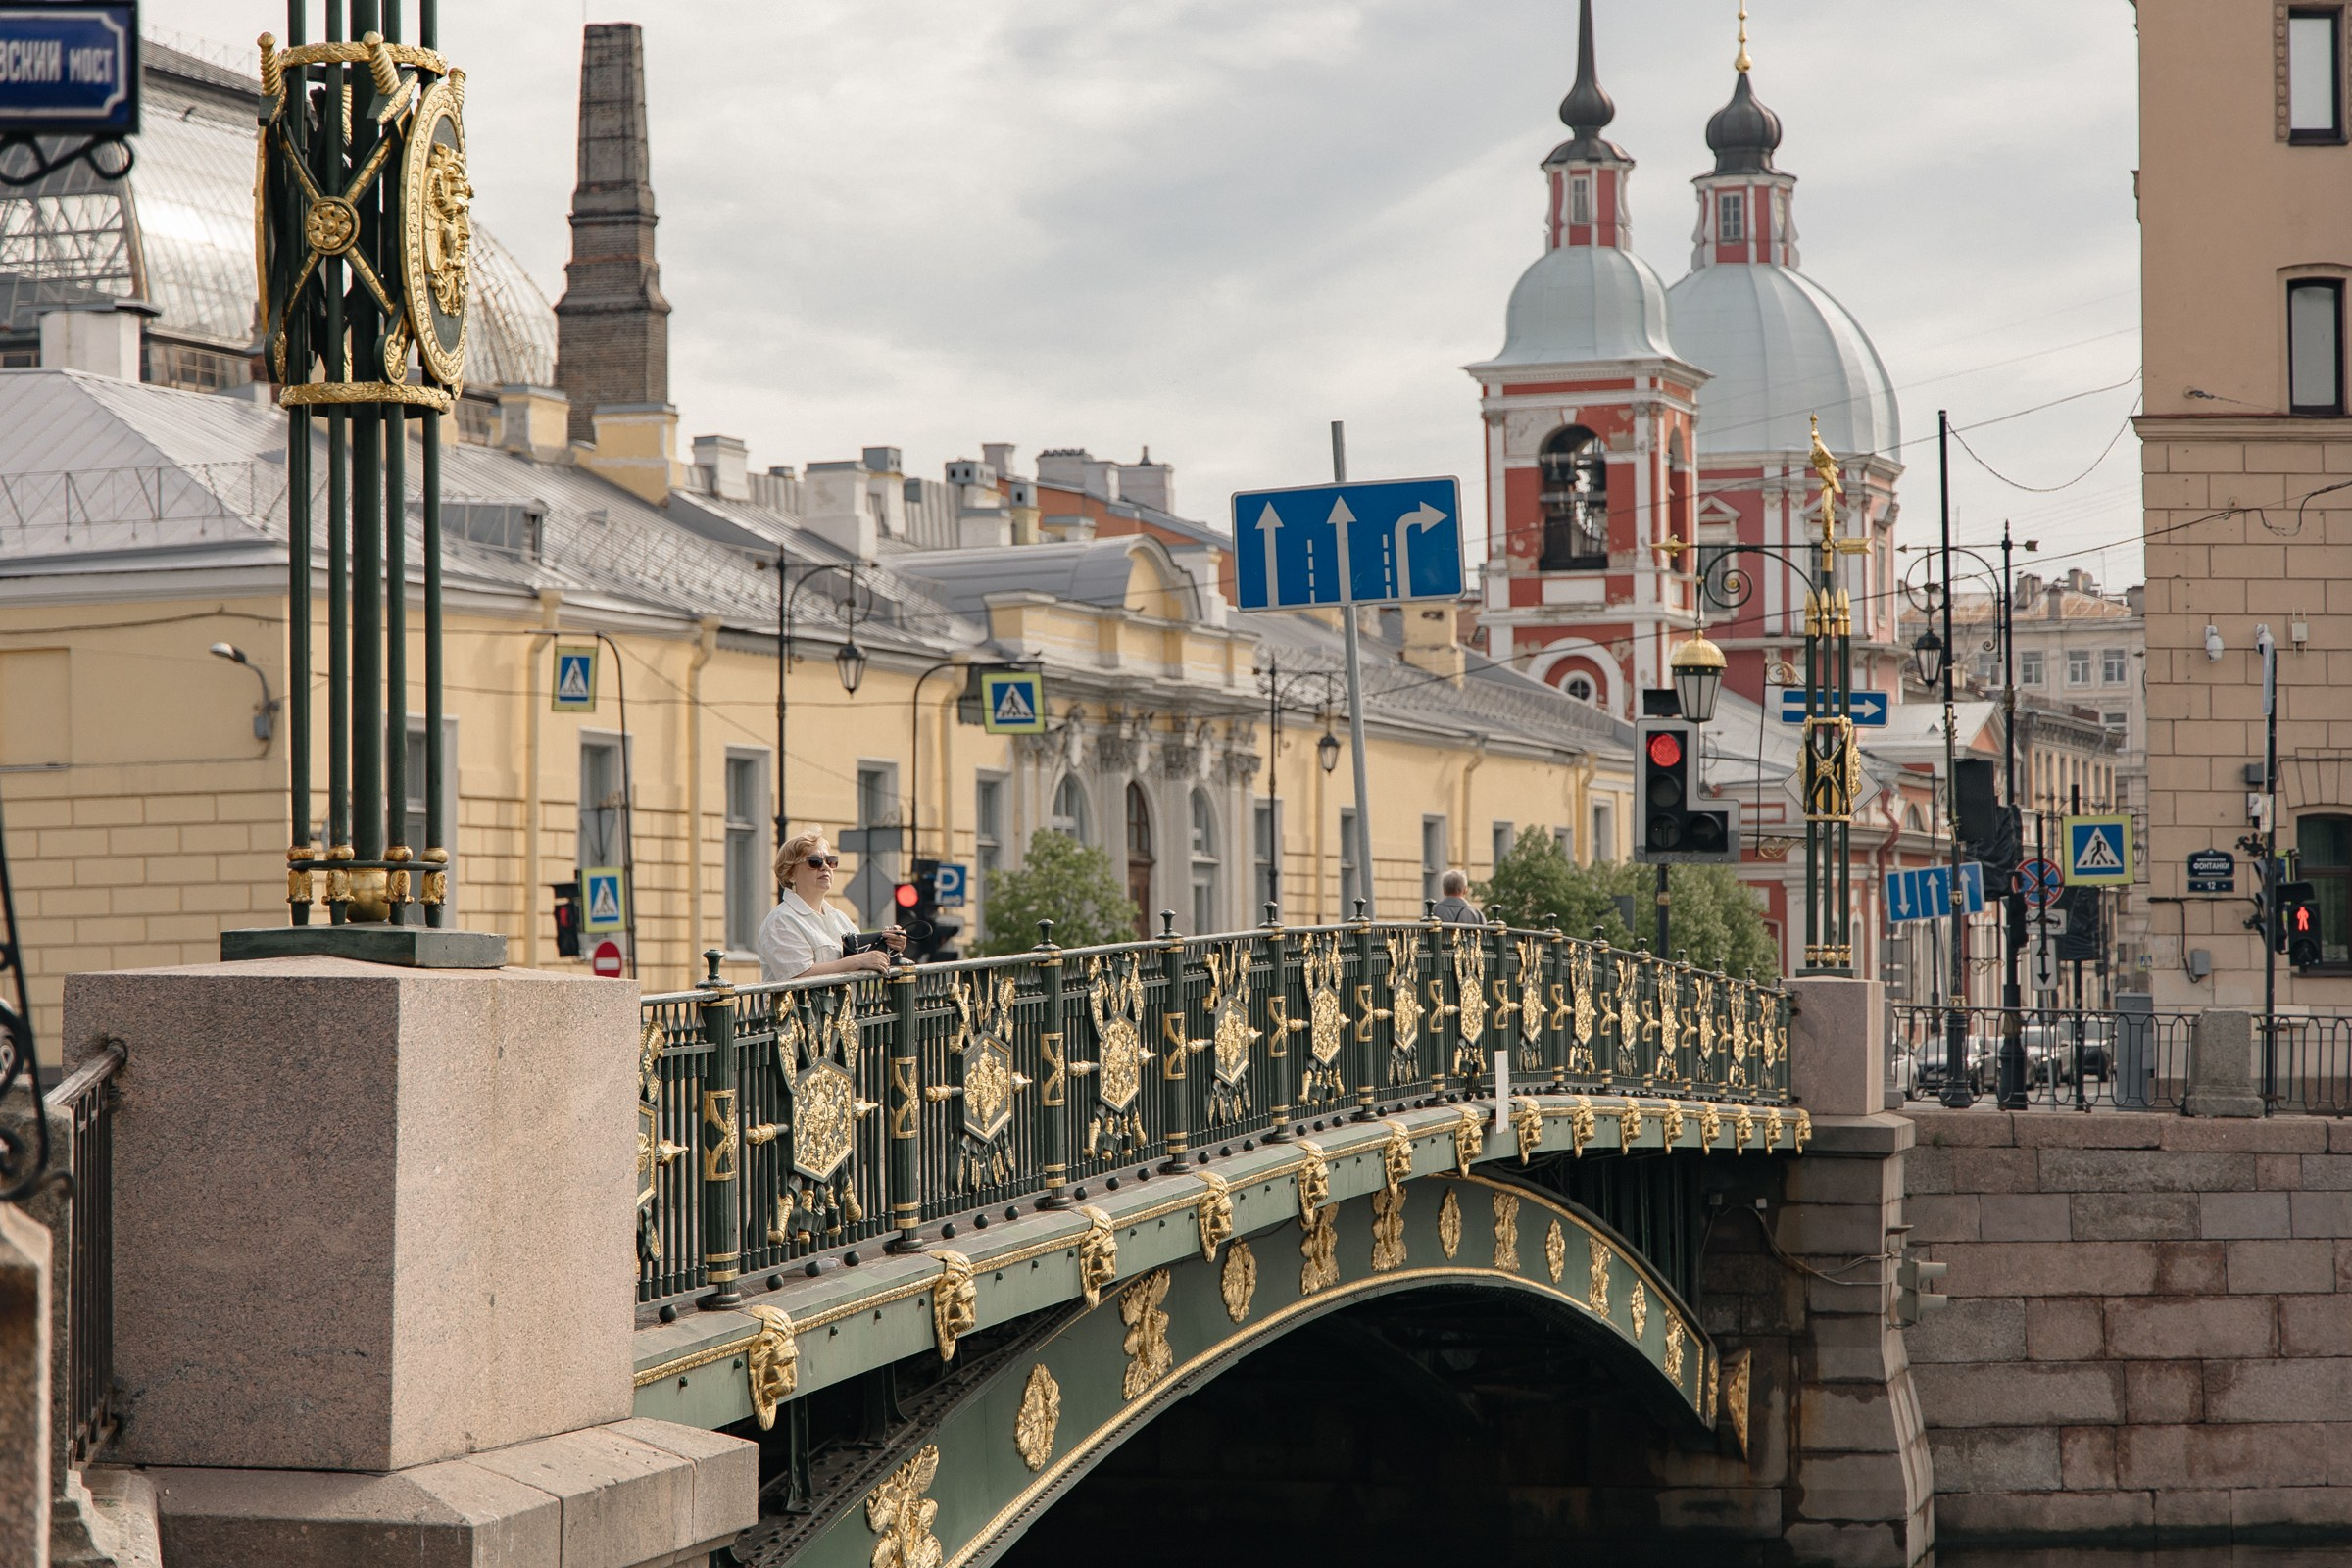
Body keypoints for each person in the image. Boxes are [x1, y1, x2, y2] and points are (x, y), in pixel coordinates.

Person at [757, 829, 907, 983]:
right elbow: (797, 977)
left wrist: (890, 946)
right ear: (790, 874)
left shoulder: (839, 919)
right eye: (814, 862)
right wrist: (857, 961)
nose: (825, 867)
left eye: (831, 861)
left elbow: (866, 957)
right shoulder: (781, 921)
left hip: (845, 1007)